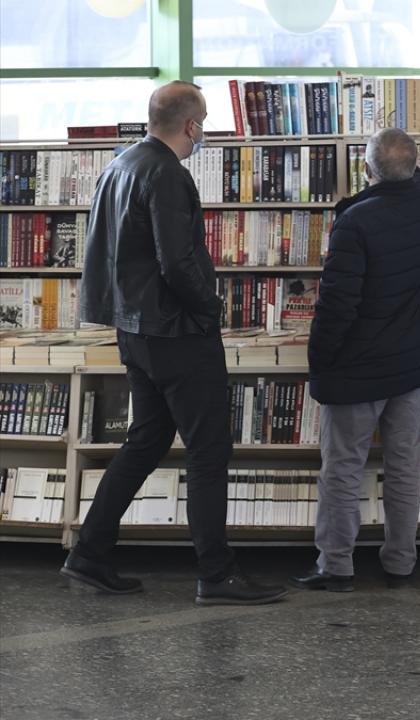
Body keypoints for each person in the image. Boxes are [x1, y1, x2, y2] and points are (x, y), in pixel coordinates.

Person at [65, 81, 287, 606]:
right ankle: (216, 574)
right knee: (209, 450)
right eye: (202, 124)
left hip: (135, 329)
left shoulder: (121, 164)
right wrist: (210, 309)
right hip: (176, 332)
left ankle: (89, 552)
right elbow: (177, 262)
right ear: (191, 125)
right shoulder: (167, 173)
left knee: (146, 440)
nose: (202, 133)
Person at [289, 129, 420, 592]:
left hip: (358, 366)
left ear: (365, 168)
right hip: (412, 360)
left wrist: (320, 361)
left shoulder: (354, 223)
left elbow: (338, 305)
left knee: (343, 467)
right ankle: (400, 562)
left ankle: (336, 565)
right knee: (404, 466)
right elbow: (411, 182)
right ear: (415, 166)